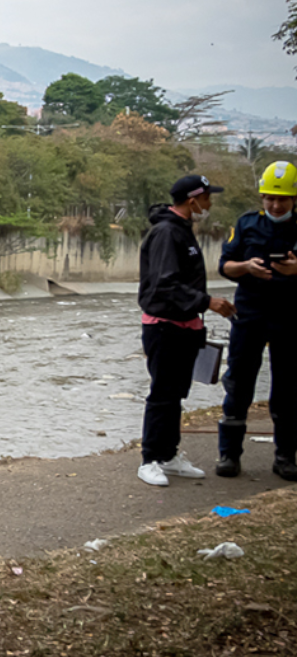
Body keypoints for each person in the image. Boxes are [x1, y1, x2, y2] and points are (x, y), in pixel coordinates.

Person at [136, 175, 236, 487]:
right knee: (162, 394)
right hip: (164, 327)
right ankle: (150, 459)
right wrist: (207, 302)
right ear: (193, 200)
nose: (210, 203)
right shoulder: (166, 232)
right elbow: (165, 283)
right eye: (207, 197)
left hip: (185, 326)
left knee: (176, 393)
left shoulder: (182, 230)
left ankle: (169, 455)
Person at [215, 161, 297, 481]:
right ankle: (229, 455)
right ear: (262, 197)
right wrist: (246, 267)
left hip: (290, 319)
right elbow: (225, 267)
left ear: (294, 199)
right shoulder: (246, 225)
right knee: (238, 385)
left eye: (283, 199)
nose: (276, 205)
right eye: (270, 198)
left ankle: (285, 456)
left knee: (288, 390)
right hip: (249, 316)